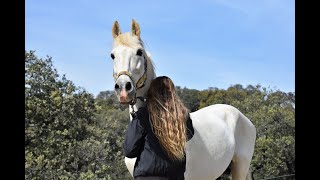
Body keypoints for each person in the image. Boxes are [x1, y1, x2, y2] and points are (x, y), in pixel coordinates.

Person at [123, 76, 194, 180]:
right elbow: (189, 136)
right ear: (173, 93)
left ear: (151, 92)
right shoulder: (183, 117)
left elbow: (129, 151)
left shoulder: (143, 115)